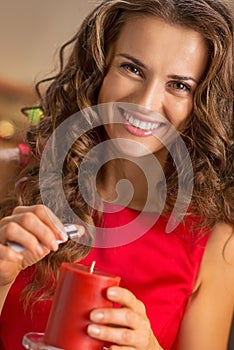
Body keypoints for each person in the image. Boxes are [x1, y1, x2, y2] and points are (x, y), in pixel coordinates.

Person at [0, 0, 233, 349]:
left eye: (180, 85)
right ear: (100, 69)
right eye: (132, 69)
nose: (144, 103)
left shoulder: (215, 242)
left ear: (204, 103)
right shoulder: (9, 174)